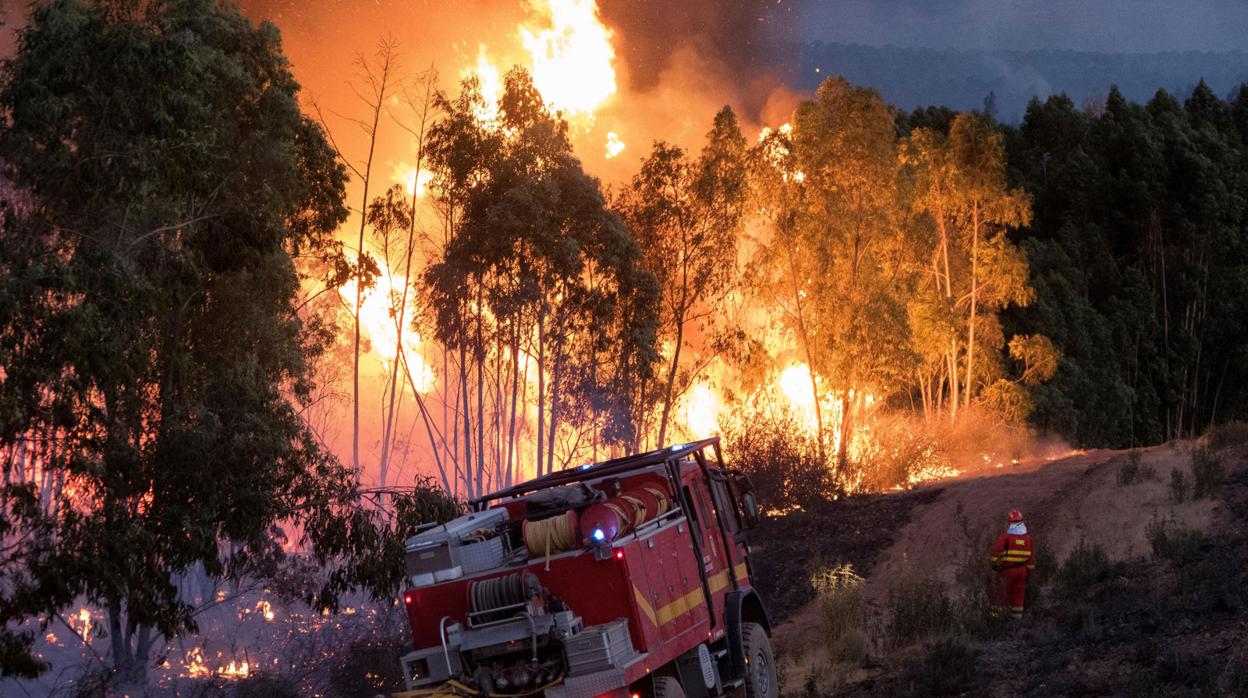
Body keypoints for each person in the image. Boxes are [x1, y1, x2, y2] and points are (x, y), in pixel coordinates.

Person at [990, 509, 1035, 620]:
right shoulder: (1028, 539)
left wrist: (995, 564)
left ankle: (995, 621)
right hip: (1023, 572)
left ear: (1010, 523)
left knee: (1000, 596)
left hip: (1008, 571)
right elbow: (1031, 561)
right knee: (1018, 598)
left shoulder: (1006, 537)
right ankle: (1017, 623)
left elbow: (996, 551)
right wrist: (1028, 575)